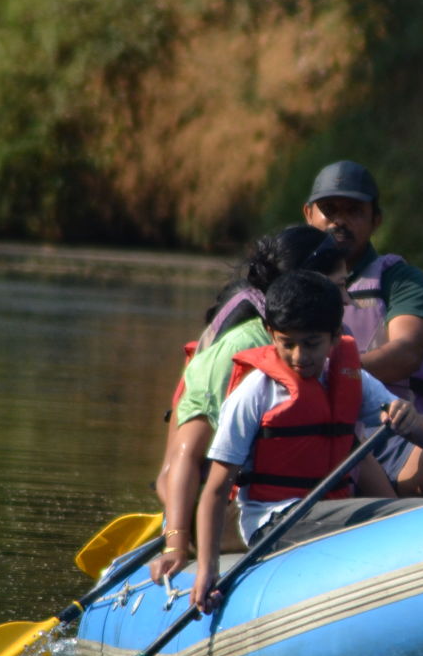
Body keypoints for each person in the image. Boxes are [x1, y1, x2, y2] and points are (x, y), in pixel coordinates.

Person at [150, 226, 393, 582]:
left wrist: (400, 517)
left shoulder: (325, 348)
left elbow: (344, 442)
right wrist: (175, 543)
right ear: (305, 286)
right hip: (234, 511)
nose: (346, 298)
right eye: (339, 286)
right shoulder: (242, 350)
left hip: (313, 504)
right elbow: (182, 460)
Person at [191, 271, 423, 613]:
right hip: (275, 522)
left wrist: (411, 420)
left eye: (311, 344)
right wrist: (207, 570)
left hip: (329, 511)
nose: (299, 356)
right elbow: (216, 489)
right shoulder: (255, 393)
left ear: (335, 337)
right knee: (409, 520)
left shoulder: (352, 379)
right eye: (286, 343)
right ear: (270, 335)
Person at [301, 160, 423, 499]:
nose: (339, 220)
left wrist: (329, 371)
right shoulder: (287, 282)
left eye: (354, 211)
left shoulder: (401, 281)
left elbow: (407, 352)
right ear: (309, 214)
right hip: (310, 432)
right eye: (329, 209)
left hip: (390, 434)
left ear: (375, 220)